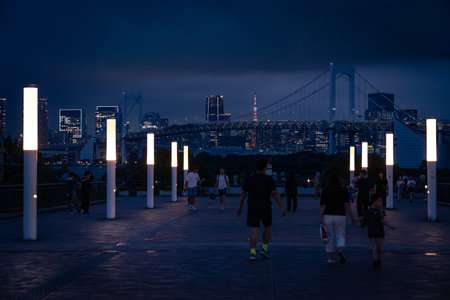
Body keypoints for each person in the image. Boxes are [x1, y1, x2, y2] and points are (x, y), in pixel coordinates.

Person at [237, 158, 286, 261]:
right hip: (265, 206)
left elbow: (243, 194)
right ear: (265, 167)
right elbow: (275, 193)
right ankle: (264, 249)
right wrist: (281, 206)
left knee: (254, 229)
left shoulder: (250, 179)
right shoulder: (268, 179)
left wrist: (240, 207)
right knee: (267, 227)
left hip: (252, 206)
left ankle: (252, 252)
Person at [319, 172, 356, 264]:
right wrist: (352, 216)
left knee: (329, 237)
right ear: (339, 180)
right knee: (340, 235)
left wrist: (320, 217)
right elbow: (347, 205)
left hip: (328, 215)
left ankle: (331, 258)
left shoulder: (325, 190)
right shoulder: (343, 190)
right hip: (341, 215)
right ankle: (340, 250)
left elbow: (323, 205)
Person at [356, 193, 396, 270]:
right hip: (379, 233)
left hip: (371, 233)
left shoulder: (368, 210)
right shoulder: (378, 212)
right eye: (379, 201)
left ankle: (375, 260)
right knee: (379, 248)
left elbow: (363, 217)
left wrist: (355, 220)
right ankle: (378, 260)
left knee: (374, 248)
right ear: (374, 202)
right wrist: (391, 226)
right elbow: (382, 221)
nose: (380, 203)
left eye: (380, 201)